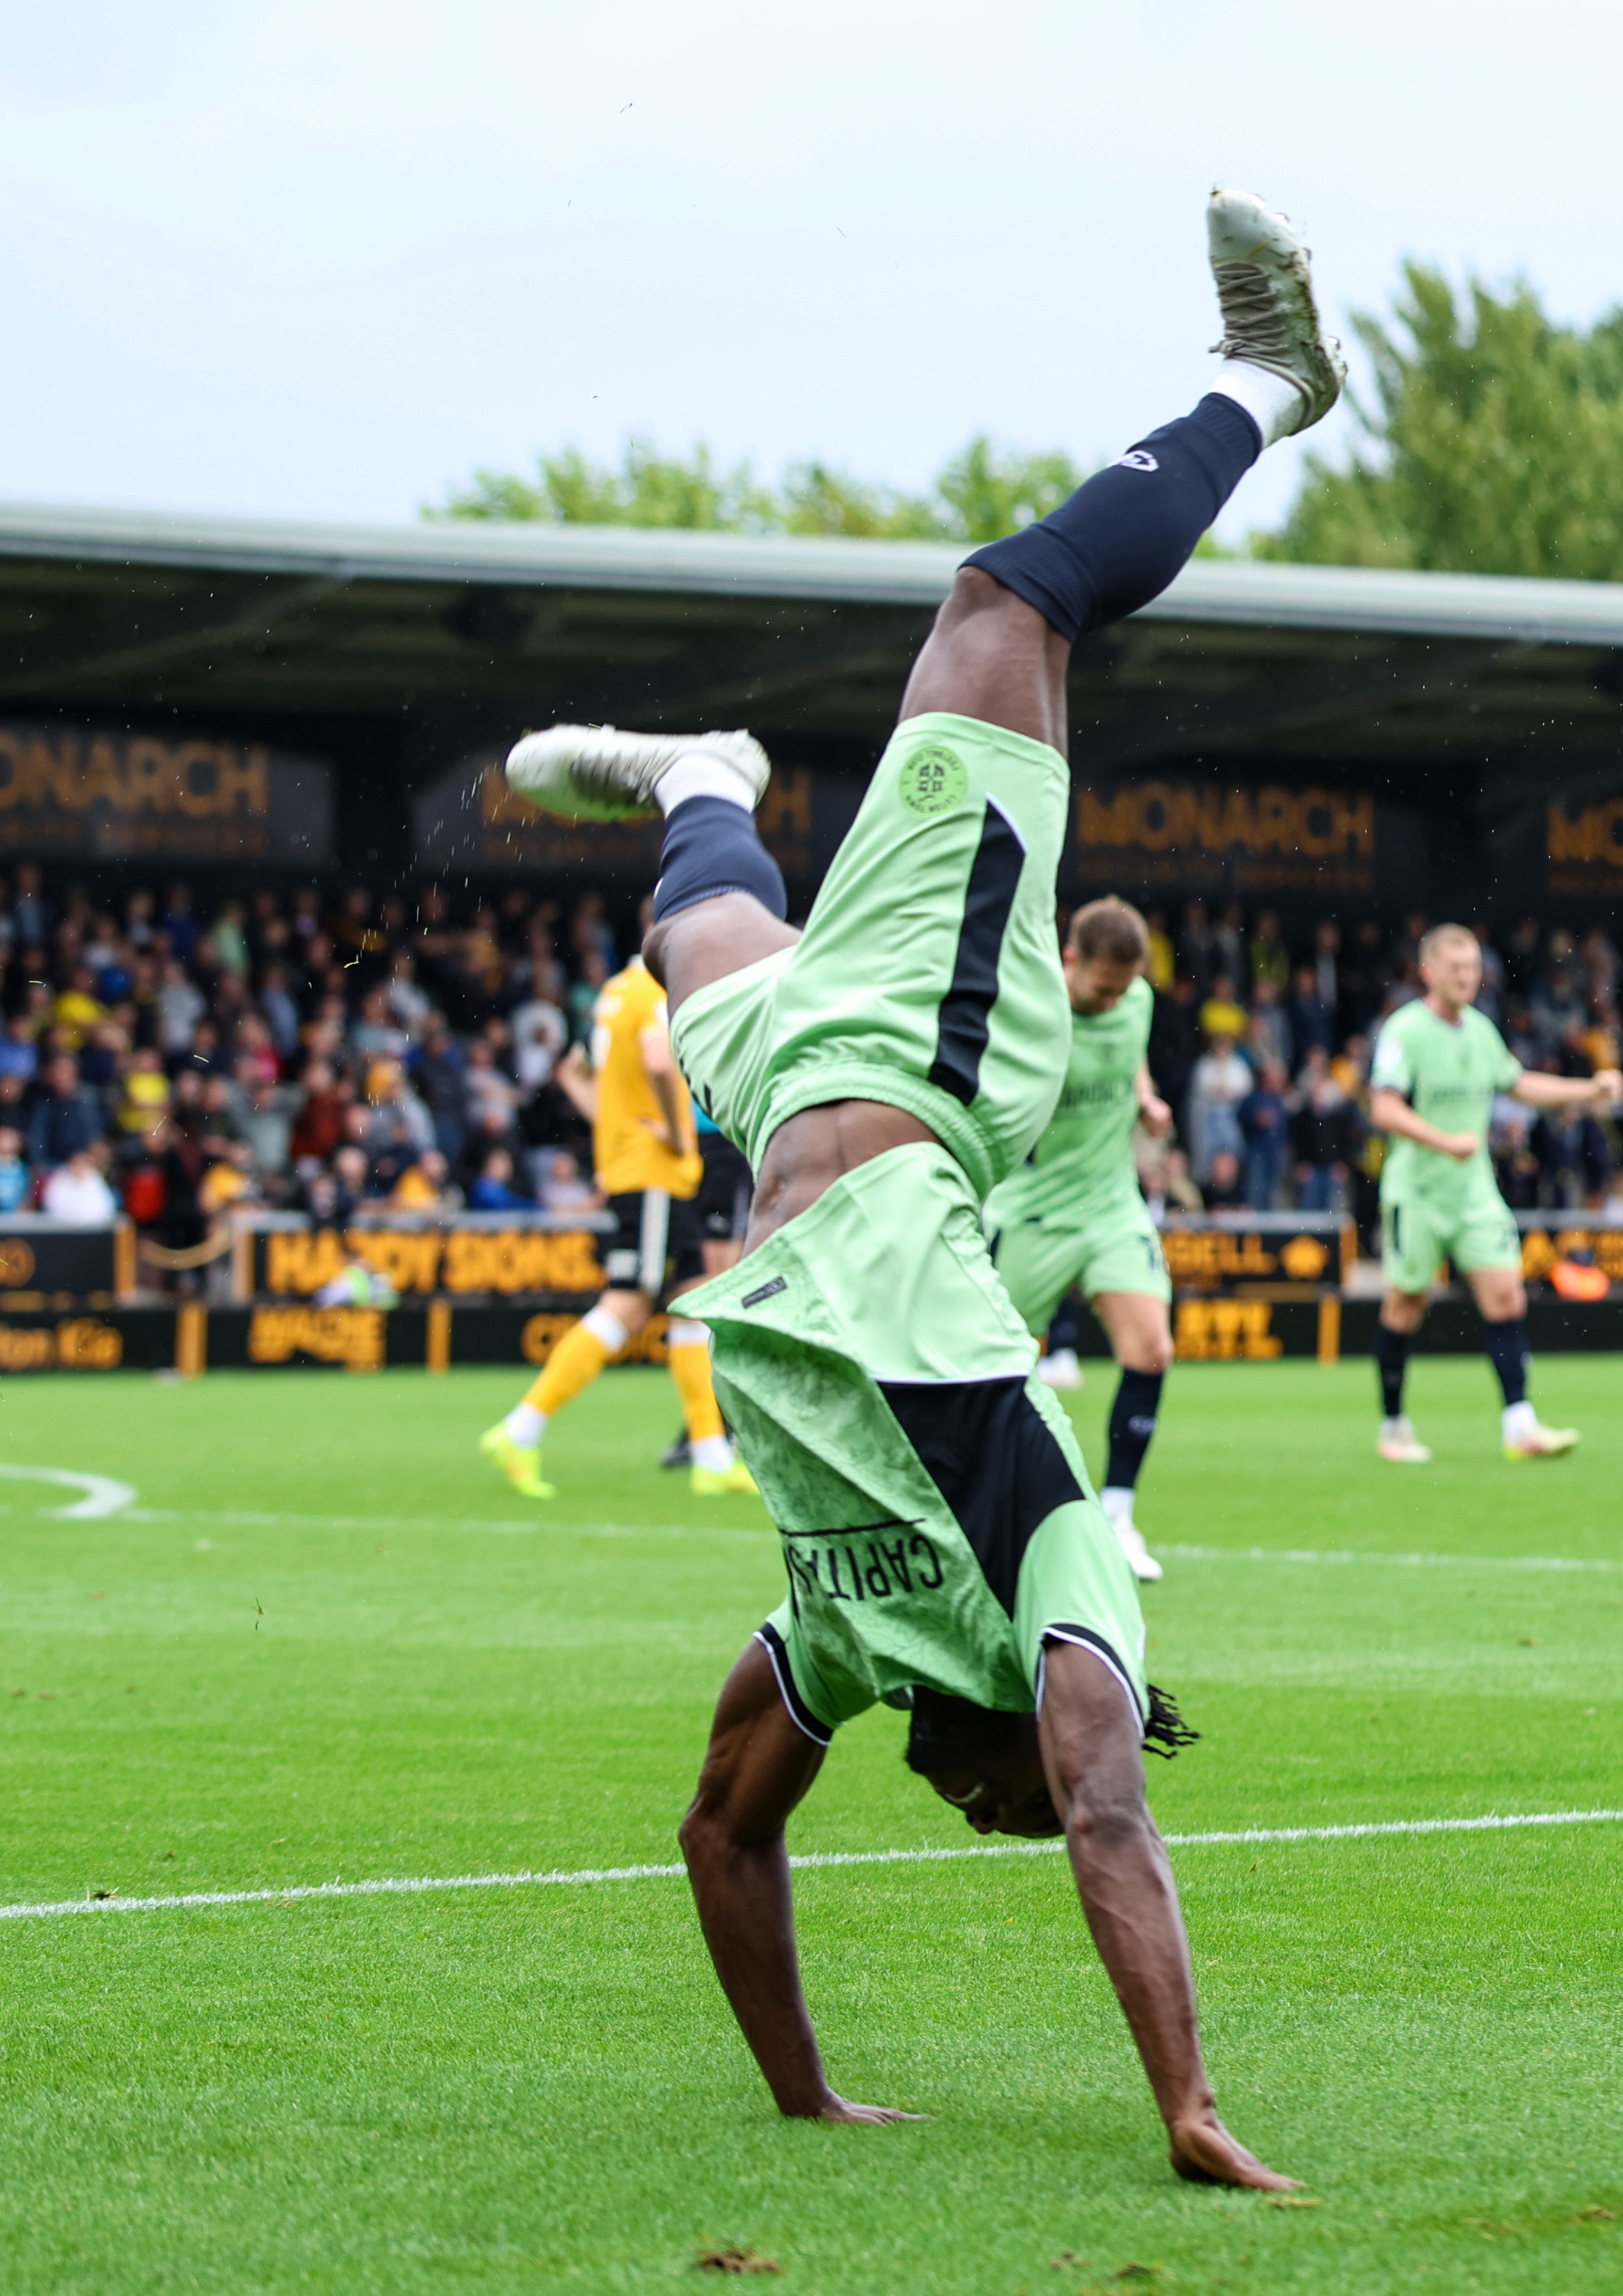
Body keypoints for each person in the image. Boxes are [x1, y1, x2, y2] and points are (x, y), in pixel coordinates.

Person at [493, 188, 1334, 2188]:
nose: (992, 1812)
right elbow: (1106, 1815)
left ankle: (705, 778)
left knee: (700, 939)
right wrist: (1183, 2102)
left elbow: (721, 1824)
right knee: (997, 608)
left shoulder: (859, 1644)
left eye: (994, 1810)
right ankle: (1269, 381)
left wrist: (801, 2089)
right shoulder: (1060, 1602)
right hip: (933, 1064)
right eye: (1008, 1807)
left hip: (788, 1116)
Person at [481, 954, 757, 1498]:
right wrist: (676, 1131)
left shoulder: (615, 994)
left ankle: (710, 1457)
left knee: (692, 1304)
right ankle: (520, 1429)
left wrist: (619, 1128)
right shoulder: (652, 994)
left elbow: (573, 1070)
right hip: (652, 1174)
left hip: (650, 1174)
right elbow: (659, 1059)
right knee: (627, 1304)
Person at [1369, 924, 1623, 1463]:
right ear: (1428, 971)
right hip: (1418, 1192)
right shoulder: (1405, 1030)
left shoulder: (1481, 1029)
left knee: (1507, 1295)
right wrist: (1444, 1142)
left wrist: (1588, 1089)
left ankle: (1520, 1426)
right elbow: (1384, 1108)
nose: (1466, 976)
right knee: (1406, 1303)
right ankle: (1393, 1426)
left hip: (1474, 1192)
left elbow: (1518, 1083)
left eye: (1472, 967)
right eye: (1455, 967)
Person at [984, 896, 1175, 1581]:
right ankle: (988, 1514)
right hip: (1030, 1212)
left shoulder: (1137, 1002)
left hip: (1111, 1206)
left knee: (1152, 1348)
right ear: (1070, 960)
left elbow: (1131, 1054)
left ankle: (1117, 1516)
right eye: (1104, 987)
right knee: (987, 1370)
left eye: (1125, 987)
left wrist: (1145, 1099)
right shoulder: (1024, 1015)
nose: (1115, 998)